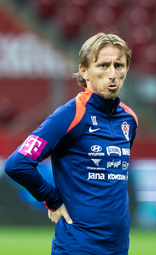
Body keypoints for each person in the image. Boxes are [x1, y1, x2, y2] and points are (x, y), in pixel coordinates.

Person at [5, 32, 138, 255]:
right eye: (103, 66)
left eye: (119, 65)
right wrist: (53, 200)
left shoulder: (130, 119)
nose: (113, 74)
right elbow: (17, 164)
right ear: (84, 71)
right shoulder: (70, 115)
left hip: (118, 247)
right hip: (77, 246)